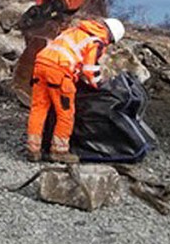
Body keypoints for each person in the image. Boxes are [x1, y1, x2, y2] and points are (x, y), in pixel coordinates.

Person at [26, 17, 125, 163]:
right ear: (111, 37)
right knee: (65, 113)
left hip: (41, 64)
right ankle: (59, 151)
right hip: (59, 71)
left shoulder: (76, 30)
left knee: (39, 108)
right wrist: (100, 85)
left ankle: (33, 150)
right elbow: (90, 70)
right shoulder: (95, 41)